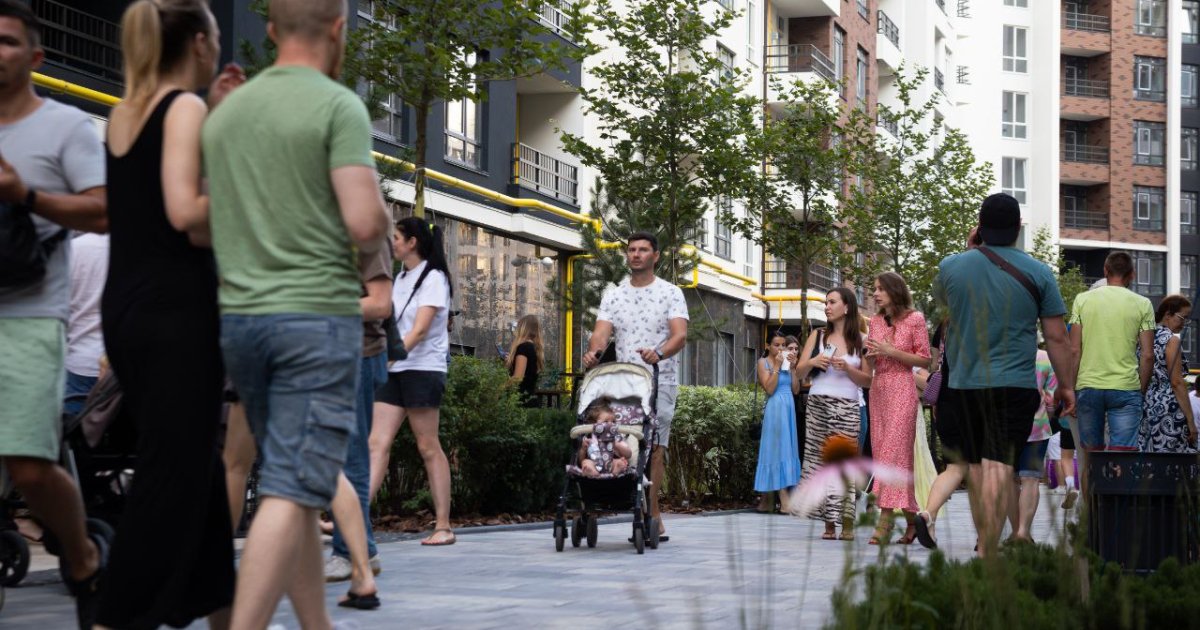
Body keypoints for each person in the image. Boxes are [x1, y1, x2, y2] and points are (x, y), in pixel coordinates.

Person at [202, 0, 391, 624]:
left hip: (241, 321)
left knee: (297, 479)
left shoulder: (227, 112)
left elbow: (204, 220)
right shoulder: (337, 105)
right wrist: (375, 208)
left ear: (271, 28)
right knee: (289, 488)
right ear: (338, 30)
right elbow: (364, 223)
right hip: (313, 318)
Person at [96, 2, 246, 627]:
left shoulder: (124, 112)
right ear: (200, 43)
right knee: (171, 471)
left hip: (128, 306)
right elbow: (187, 214)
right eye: (217, 36)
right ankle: (112, 616)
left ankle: (225, 615)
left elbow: (153, 208)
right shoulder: (182, 107)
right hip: (175, 312)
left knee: (197, 469)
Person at [0, 2, 108, 627]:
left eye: (7, 42)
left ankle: (82, 552)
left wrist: (26, 195)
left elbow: (104, 212)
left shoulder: (64, 126)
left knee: (30, 466)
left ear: (35, 56)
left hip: (31, 315)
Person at [932, 193, 1075, 558]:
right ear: (1017, 229)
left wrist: (971, 251)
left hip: (963, 385)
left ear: (979, 227)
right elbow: (1057, 337)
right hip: (1014, 384)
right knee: (998, 464)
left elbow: (949, 302)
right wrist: (1067, 386)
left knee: (977, 467)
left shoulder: (951, 266)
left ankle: (986, 543)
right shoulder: (1039, 272)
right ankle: (987, 550)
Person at [582, 231, 688, 542]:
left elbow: (679, 334)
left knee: (655, 448)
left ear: (656, 256)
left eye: (643, 250)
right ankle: (617, 502)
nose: (636, 254)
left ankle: (652, 513)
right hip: (623, 382)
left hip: (660, 379)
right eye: (631, 250)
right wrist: (594, 352)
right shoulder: (613, 295)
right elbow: (601, 333)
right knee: (622, 443)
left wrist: (660, 353)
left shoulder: (671, 293)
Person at [369, 217, 456, 547]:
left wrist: (389, 358)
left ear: (412, 242)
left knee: (427, 446)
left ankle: (444, 526)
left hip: (423, 368)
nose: (391, 242)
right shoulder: (400, 277)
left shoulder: (434, 278)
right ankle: (353, 516)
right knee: (376, 443)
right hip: (395, 370)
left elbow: (419, 330)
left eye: (396, 237)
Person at [323, 237, 392, 589]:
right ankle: (360, 551)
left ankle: (350, 553)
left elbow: (380, 303)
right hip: (327, 352)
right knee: (334, 456)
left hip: (358, 353)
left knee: (350, 457)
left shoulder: (368, 231)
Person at [794, 288, 869, 540]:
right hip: (818, 404)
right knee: (818, 462)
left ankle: (846, 522)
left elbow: (868, 381)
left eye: (832, 302)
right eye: (826, 302)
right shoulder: (817, 335)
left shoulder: (862, 340)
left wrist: (847, 368)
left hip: (847, 405)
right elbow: (799, 373)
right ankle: (828, 524)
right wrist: (812, 362)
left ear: (847, 307)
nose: (827, 307)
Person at [863, 272, 931, 545]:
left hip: (903, 388)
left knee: (892, 455)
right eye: (875, 288)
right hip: (878, 391)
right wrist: (869, 358)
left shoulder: (915, 319)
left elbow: (925, 360)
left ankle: (885, 521)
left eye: (881, 289)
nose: (875, 293)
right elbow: (870, 364)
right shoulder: (875, 322)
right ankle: (913, 523)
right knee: (887, 458)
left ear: (894, 290)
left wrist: (891, 351)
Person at [1070, 251, 1155, 455]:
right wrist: (1140, 390)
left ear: (1105, 270)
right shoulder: (1143, 304)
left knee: (1091, 455)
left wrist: (1071, 389)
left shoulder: (1082, 300)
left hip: (1088, 385)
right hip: (1126, 387)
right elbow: (1147, 355)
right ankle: (1117, 477)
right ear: (1132, 274)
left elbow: (1074, 350)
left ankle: (1093, 478)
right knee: (1122, 456)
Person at [1005, 347, 1057, 543]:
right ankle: (1023, 532)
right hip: (1037, 426)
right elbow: (1051, 398)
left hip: (1007, 426)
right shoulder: (1044, 357)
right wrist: (1047, 414)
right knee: (1030, 479)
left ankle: (1015, 531)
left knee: (1009, 480)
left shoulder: (1000, 354)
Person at [1137, 295, 1196, 453]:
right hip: (1168, 407)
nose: (1184, 323)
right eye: (1182, 318)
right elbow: (1176, 382)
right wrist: (1191, 421)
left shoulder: (1144, 337)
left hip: (1145, 403)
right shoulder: (1171, 340)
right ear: (1168, 314)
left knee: (1149, 456)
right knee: (1172, 459)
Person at [754, 332, 802, 512]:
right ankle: (782, 496)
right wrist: (776, 366)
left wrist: (793, 369)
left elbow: (796, 390)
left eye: (783, 345)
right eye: (776, 345)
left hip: (788, 407)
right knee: (776, 450)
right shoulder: (763, 362)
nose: (780, 348)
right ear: (768, 346)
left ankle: (767, 500)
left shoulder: (787, 363)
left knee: (786, 449)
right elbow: (769, 388)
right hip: (775, 408)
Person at [64, 232, 108, 416]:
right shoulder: (138, 249)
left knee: (75, 427)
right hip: (122, 362)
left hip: (80, 359)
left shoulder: (72, 249)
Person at [578, 404, 632, 477]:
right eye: (606, 422)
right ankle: (593, 472)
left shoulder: (616, 437)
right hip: (593, 464)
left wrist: (617, 445)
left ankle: (616, 470)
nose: (610, 424)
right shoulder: (588, 437)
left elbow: (628, 454)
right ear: (594, 424)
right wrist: (583, 449)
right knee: (585, 462)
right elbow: (581, 460)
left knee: (621, 462)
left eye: (613, 422)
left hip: (612, 463)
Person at [507, 314, 544, 408]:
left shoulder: (523, 348)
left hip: (520, 402)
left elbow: (517, 378)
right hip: (531, 400)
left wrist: (498, 388)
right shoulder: (535, 348)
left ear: (523, 329)